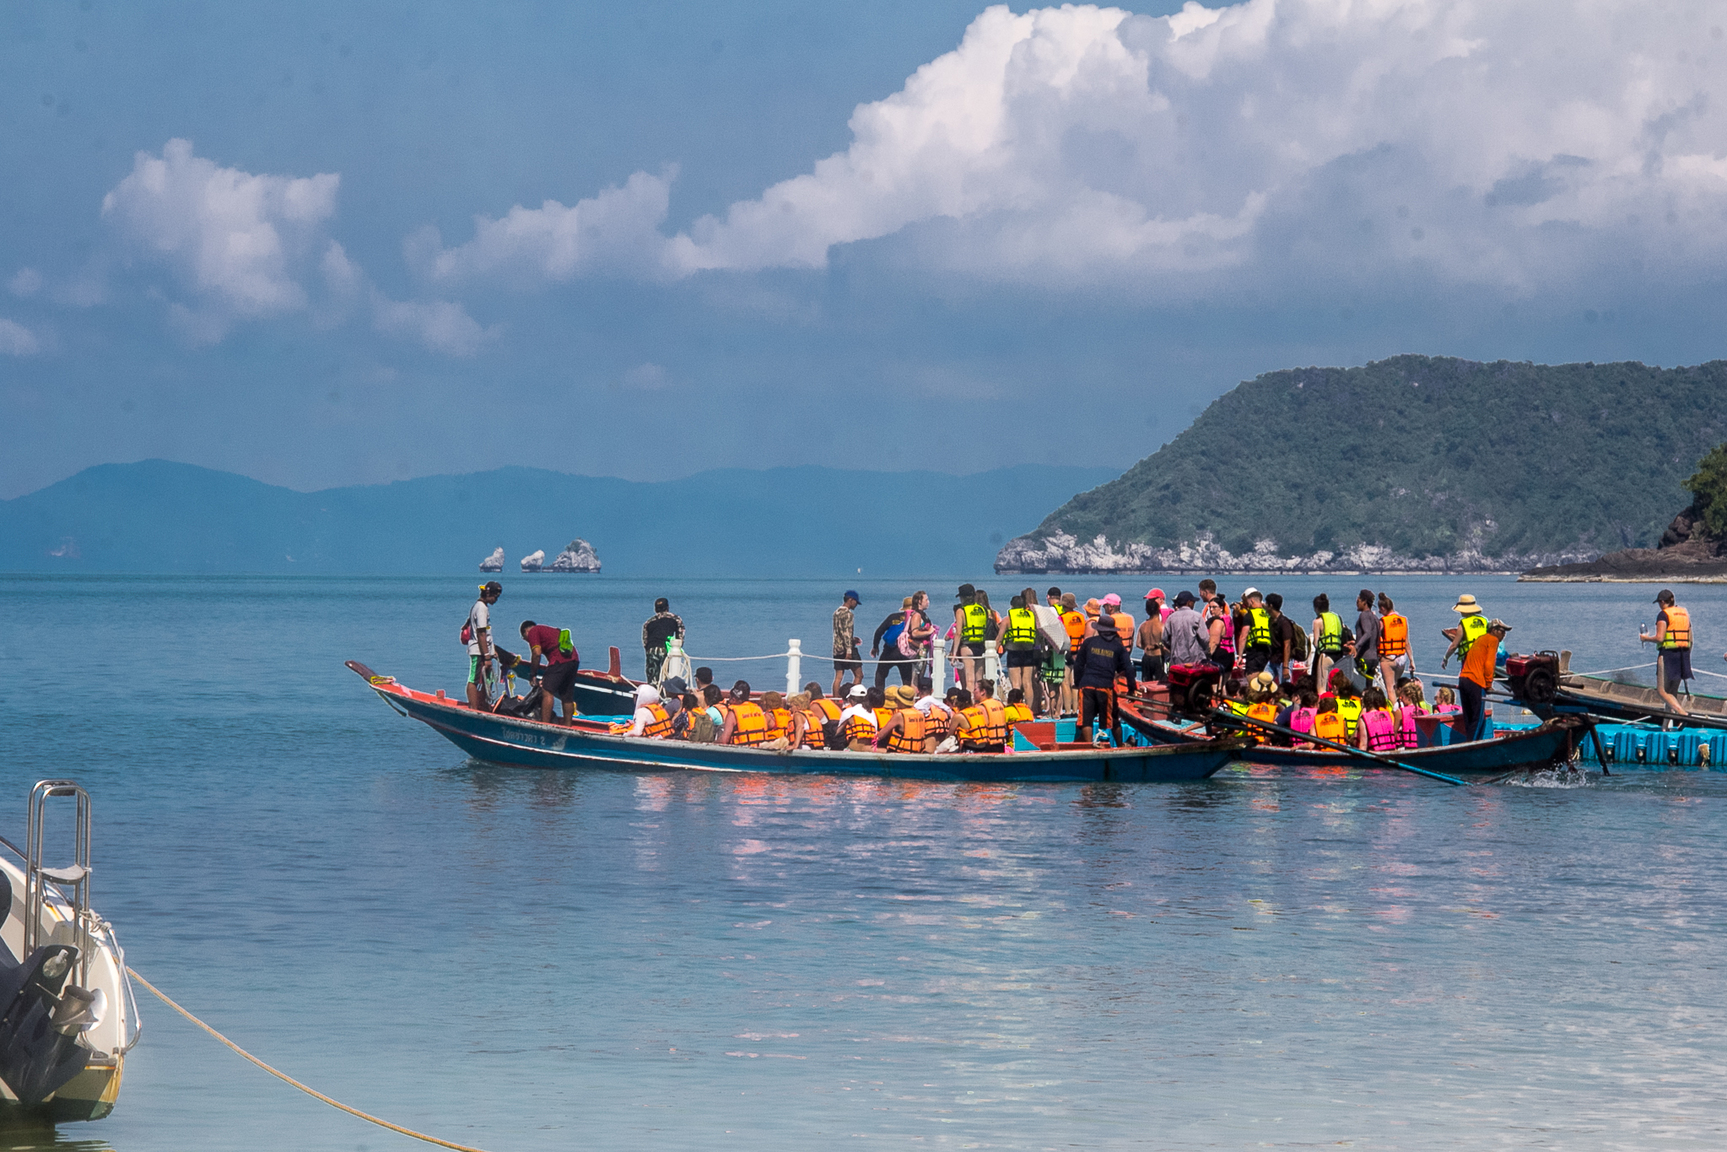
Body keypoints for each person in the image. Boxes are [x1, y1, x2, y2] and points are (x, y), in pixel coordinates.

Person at [1074, 613, 1135, 745]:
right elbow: (1129, 669)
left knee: (1086, 719)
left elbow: (1078, 665)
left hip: (1087, 685)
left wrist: (1078, 683)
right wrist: (1131, 689)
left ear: (1099, 629)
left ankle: (1089, 746)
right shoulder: (1118, 647)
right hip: (1105, 686)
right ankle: (1119, 746)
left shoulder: (1088, 643)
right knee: (1113, 719)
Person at [1640, 589, 1693, 716]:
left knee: (1662, 691)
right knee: (1672, 692)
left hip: (1668, 655)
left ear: (1663, 602)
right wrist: (1687, 655)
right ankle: (1666, 726)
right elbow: (1691, 639)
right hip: (1683, 654)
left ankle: (1682, 714)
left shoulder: (1663, 615)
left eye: (1659, 602)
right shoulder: (1684, 613)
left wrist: (1645, 638)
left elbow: (1660, 638)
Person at [518, 619, 581, 724]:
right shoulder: (549, 630)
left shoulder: (533, 631)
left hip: (559, 660)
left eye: (525, 638)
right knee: (566, 696)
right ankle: (568, 726)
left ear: (526, 632)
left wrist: (533, 674)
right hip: (573, 659)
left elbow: (536, 654)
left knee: (547, 691)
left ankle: (545, 725)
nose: (528, 641)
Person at [1457, 618, 1510, 741]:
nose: (1504, 634)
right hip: (1476, 681)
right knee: (1477, 718)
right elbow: (1489, 664)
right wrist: (1488, 684)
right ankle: (1472, 746)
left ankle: (1468, 743)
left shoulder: (1480, 639)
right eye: (1502, 631)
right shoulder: (1493, 640)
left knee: (1468, 717)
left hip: (1463, 679)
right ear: (1494, 630)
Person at [998, 594, 1042, 707]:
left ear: (1012, 606)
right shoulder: (1032, 618)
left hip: (1013, 653)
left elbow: (999, 638)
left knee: (1016, 684)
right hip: (1029, 652)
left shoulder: (1007, 620)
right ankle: (1029, 709)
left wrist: (994, 653)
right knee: (1027, 683)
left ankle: (1017, 708)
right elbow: (1038, 637)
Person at [465, 581, 503, 710]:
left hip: (483, 650)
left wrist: (492, 651)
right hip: (478, 650)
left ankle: (483, 705)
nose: (496, 600)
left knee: (488, 679)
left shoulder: (478, 606)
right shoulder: (481, 608)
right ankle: (474, 708)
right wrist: (487, 656)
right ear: (488, 593)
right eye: (495, 597)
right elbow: (481, 633)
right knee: (474, 679)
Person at [952, 584, 989, 694]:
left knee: (969, 680)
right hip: (981, 646)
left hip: (967, 646)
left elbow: (958, 633)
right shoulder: (983, 609)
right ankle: (979, 705)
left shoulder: (961, 611)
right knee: (979, 680)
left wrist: (954, 653)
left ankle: (969, 706)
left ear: (962, 597)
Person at [871, 598, 914, 689]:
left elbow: (878, 632)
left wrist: (875, 647)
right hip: (905, 652)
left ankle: (879, 696)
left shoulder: (892, 617)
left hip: (889, 651)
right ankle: (907, 697)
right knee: (907, 678)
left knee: (880, 675)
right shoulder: (915, 618)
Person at [1057, 592, 1088, 715]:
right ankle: (1077, 709)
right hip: (1079, 652)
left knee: (1065, 682)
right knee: (1075, 683)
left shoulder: (1062, 618)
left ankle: (1068, 710)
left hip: (1066, 651)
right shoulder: (1081, 617)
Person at [641, 598, 685, 683]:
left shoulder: (648, 622)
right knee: (668, 674)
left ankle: (653, 692)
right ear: (667, 607)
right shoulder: (675, 619)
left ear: (655, 609)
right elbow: (680, 635)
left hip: (651, 648)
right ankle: (667, 692)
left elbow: (645, 640)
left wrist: (648, 650)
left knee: (652, 677)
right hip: (666, 648)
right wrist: (677, 649)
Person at [1440, 594, 1489, 669]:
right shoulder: (1484, 620)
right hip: (1485, 657)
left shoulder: (1463, 623)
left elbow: (1454, 646)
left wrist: (1445, 658)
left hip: (1470, 658)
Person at [1376, 593, 1412, 694]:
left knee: (1390, 688)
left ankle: (1395, 709)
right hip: (1402, 659)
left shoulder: (1383, 622)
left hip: (1389, 658)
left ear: (1383, 608)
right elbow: (1407, 643)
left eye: (1380, 609)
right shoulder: (1403, 620)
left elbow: (1375, 637)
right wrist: (1411, 661)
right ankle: (1401, 706)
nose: (1379, 611)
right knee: (1397, 687)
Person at [717, 681, 771, 746]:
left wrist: (712, 744)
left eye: (730, 698)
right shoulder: (758, 709)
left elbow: (724, 740)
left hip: (742, 752)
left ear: (734, 699)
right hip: (761, 751)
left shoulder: (733, 713)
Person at [1164, 590, 1210, 667]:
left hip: (1176, 659)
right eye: (1193, 601)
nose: (1194, 603)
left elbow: (1165, 639)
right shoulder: (1197, 616)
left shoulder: (1171, 618)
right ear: (1189, 602)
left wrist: (1172, 647)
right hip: (1195, 659)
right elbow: (1204, 638)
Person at [831, 590, 863, 695]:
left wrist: (852, 639)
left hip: (837, 648)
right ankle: (854, 696)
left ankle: (836, 700)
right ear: (850, 600)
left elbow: (839, 631)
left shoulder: (836, 612)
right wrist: (849, 651)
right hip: (847, 649)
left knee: (838, 676)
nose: (856, 605)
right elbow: (846, 633)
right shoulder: (848, 614)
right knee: (859, 675)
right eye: (855, 602)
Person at [1236, 589, 1274, 676]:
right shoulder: (1268, 614)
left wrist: (1240, 656)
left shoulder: (1249, 615)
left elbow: (1243, 636)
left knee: (1252, 678)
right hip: (1268, 650)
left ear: (1251, 600)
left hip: (1254, 651)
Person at [1310, 594, 1344, 684]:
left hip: (1325, 655)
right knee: (1336, 683)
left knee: (1321, 685)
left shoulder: (1317, 621)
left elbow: (1316, 643)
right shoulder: (1337, 618)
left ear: (1316, 608)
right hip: (1339, 655)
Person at [1265, 593, 1296, 685]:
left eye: (1266, 604)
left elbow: (1287, 645)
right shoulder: (1271, 620)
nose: (1264, 605)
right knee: (1263, 681)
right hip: (1273, 659)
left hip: (1283, 661)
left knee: (1285, 686)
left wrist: (1286, 667)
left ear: (1270, 606)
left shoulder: (1284, 623)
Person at [1356, 687, 1399, 752]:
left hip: (1375, 754)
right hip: (1391, 752)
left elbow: (1363, 745)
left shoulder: (1364, 718)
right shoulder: (1387, 715)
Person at [1138, 590, 1167, 683]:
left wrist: (1147, 646)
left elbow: (1138, 644)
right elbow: (1166, 644)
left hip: (1146, 658)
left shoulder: (1143, 626)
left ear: (1147, 611)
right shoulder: (1161, 626)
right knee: (1159, 683)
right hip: (1158, 657)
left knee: (1146, 683)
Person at [1352, 589, 1380, 686]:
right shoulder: (1375, 618)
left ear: (1364, 602)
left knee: (1361, 688)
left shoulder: (1364, 615)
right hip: (1374, 658)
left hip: (1365, 658)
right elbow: (1378, 638)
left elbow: (1367, 633)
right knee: (1369, 687)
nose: (1357, 603)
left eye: (1358, 601)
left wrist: (1356, 647)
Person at [838, 684, 880, 750]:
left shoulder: (849, 711)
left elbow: (837, 733)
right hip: (868, 749)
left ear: (851, 700)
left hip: (853, 749)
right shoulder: (872, 712)